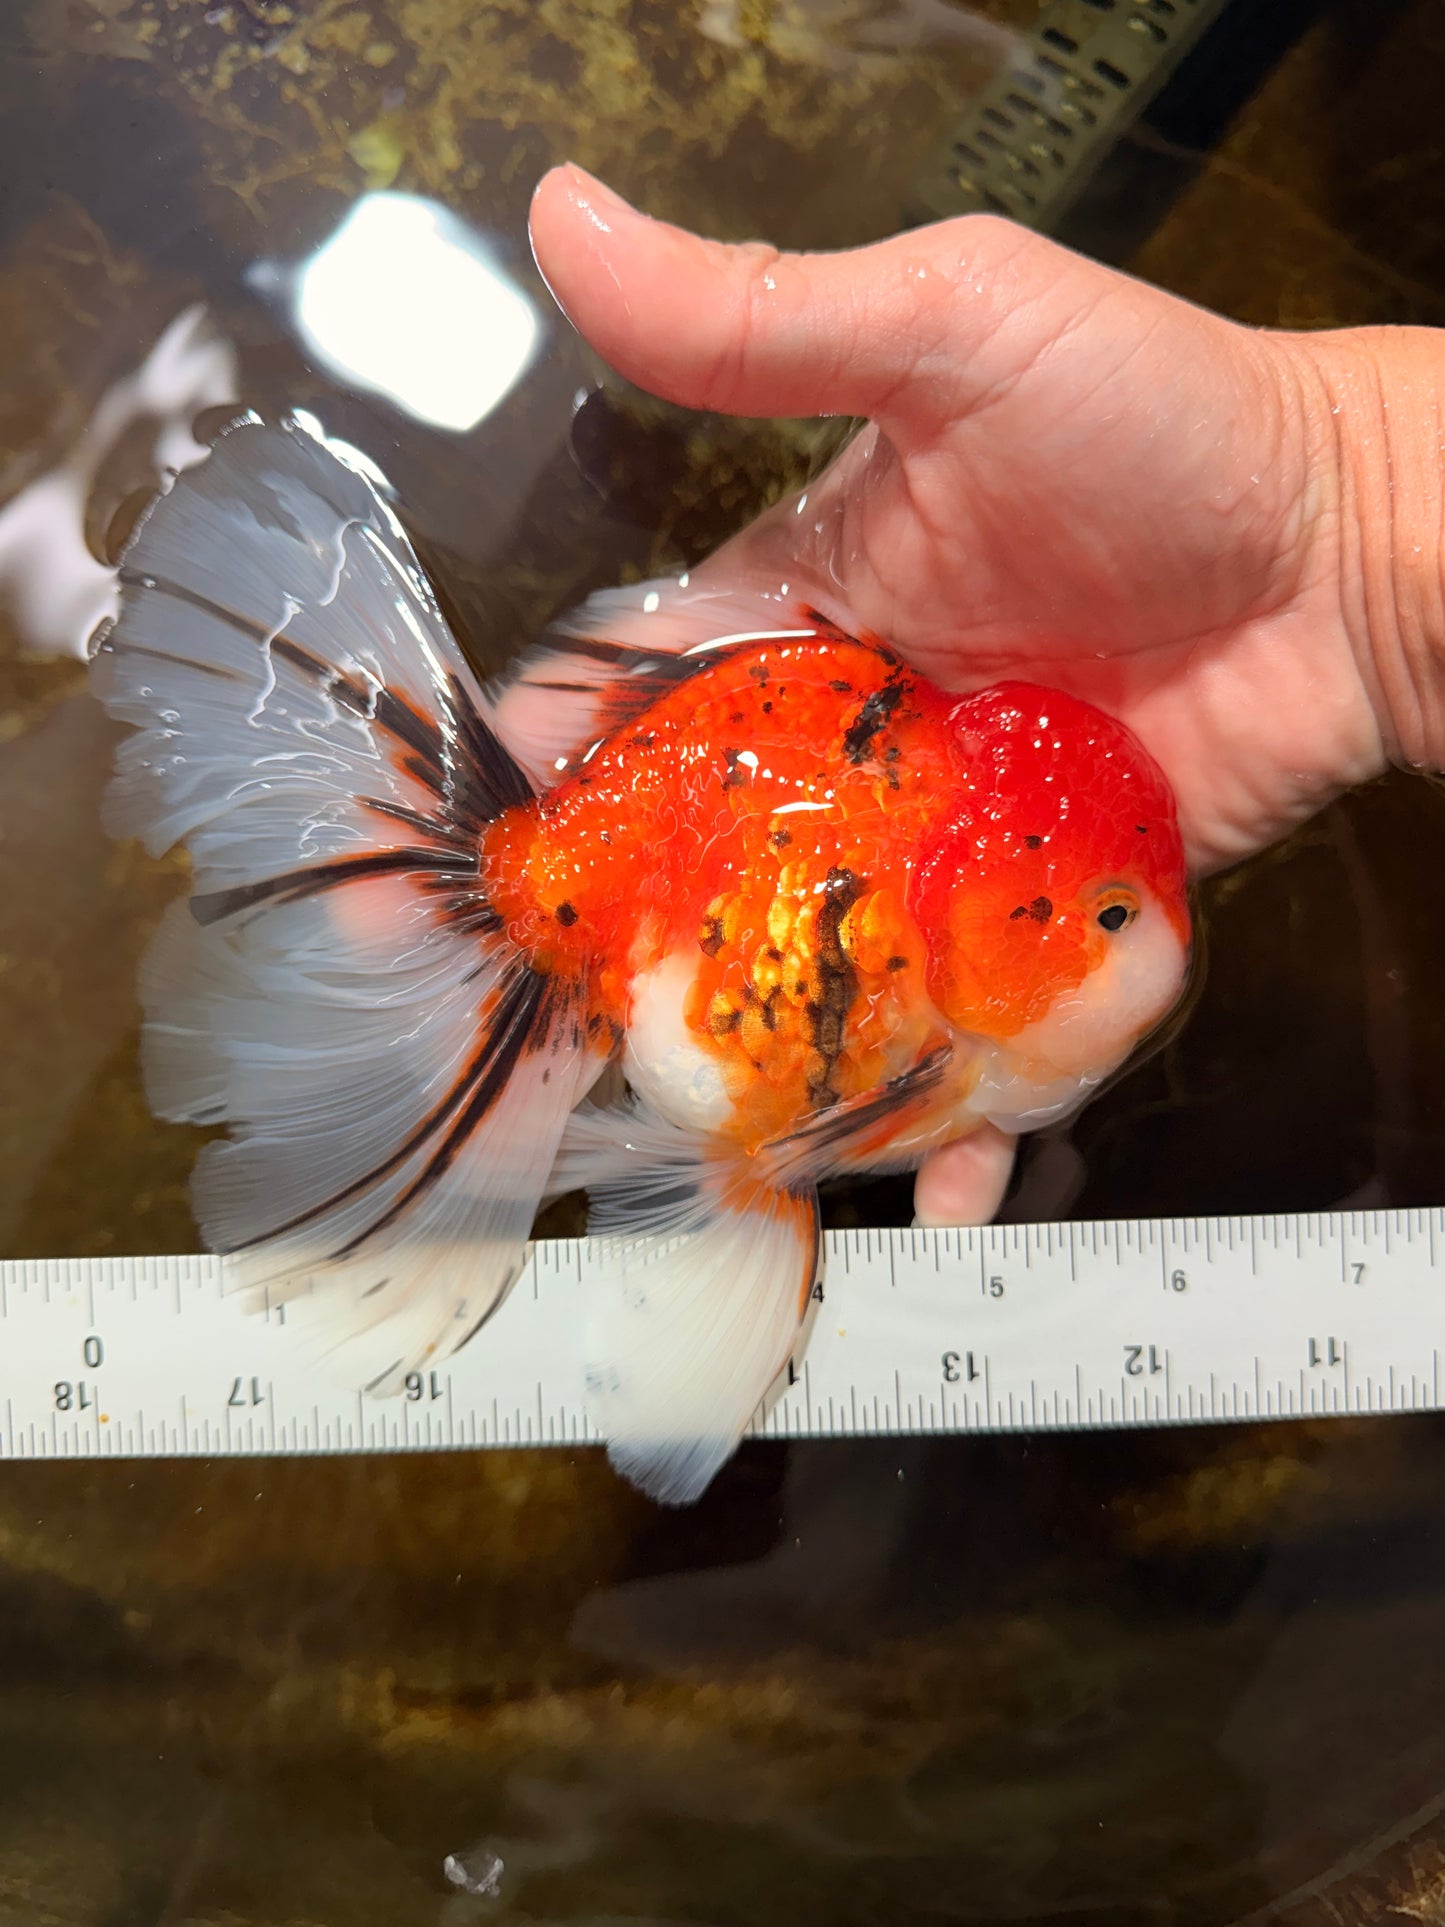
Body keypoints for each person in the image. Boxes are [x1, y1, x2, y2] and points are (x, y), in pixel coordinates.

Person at [528, 163, 1443, 1227]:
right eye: (1106, 914)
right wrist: (1351, 497)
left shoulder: (954, 1022)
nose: (1161, 943)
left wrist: (1350, 492)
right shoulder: (939, 1023)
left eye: (1117, 913)